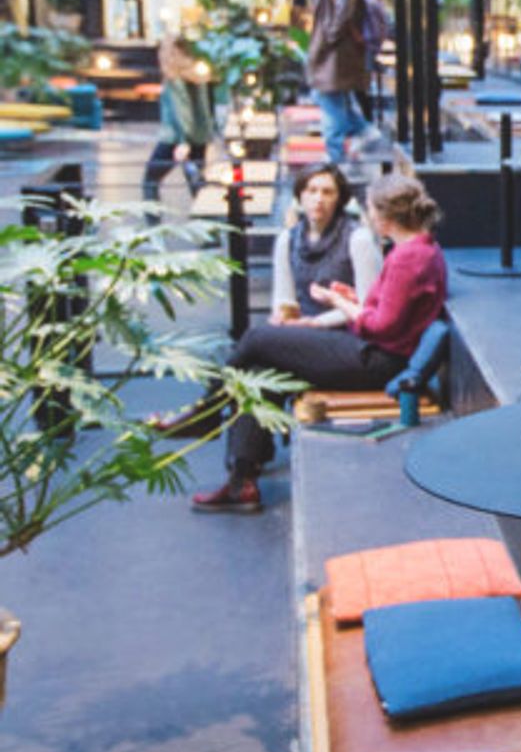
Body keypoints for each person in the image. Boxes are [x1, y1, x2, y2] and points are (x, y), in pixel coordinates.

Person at [172, 174, 447, 514]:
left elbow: (380, 326)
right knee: (261, 369)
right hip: (375, 351)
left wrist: (340, 305)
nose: (370, 217)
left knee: (257, 338)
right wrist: (343, 296)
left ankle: (207, 410)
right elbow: (383, 311)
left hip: (378, 360)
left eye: (372, 211)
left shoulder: (408, 257)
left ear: (387, 216)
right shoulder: (415, 249)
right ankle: (242, 479)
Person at [269, 164, 383, 329]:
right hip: (302, 329)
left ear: (339, 199)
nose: (319, 199)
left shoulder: (358, 238)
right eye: (311, 191)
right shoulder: (287, 239)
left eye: (327, 192)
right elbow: (283, 298)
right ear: (300, 195)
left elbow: (368, 305)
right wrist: (283, 317)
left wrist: (318, 323)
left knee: (255, 340)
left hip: (346, 331)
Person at [305, 0, 377, 165]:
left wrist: (328, 39)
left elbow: (342, 18)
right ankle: (365, 131)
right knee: (330, 100)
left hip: (336, 55)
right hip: (335, 54)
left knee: (330, 104)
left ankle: (335, 154)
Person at [141, 34, 214, 204]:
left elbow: (181, 110)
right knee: (196, 183)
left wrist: (183, 140)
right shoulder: (197, 74)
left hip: (175, 138)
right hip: (199, 138)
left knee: (150, 180)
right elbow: (204, 109)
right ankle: (209, 223)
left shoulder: (174, 78)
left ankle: (154, 225)